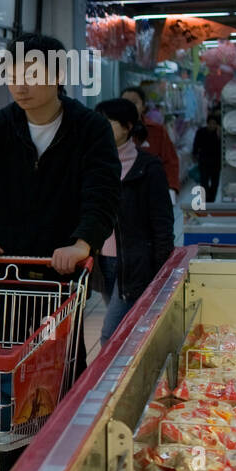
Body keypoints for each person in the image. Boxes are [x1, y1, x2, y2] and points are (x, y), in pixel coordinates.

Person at [0, 32, 120, 471]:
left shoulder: (89, 128)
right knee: (9, 382)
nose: (20, 84)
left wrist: (82, 244)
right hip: (0, 277)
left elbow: (101, 197)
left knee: (61, 376)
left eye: (33, 73)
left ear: (59, 76)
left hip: (58, 279)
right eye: (13, 74)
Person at [93, 99, 174, 343]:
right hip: (101, 259)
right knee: (127, 326)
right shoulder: (93, 163)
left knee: (110, 335)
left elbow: (162, 221)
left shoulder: (148, 167)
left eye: (107, 124)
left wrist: (163, 266)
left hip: (134, 261)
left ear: (128, 127)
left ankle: (114, 380)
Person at [121, 86, 180, 196]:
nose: (128, 106)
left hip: (152, 192)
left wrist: (171, 189)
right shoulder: (112, 132)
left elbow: (170, 161)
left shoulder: (157, 131)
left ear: (143, 106)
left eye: (134, 102)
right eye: (124, 102)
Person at [193, 113, 222, 204]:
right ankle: (205, 201)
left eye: (214, 123)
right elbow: (196, 145)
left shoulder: (219, 135)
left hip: (216, 163)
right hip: (204, 162)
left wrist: (220, 136)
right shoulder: (201, 132)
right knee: (204, 183)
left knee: (215, 184)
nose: (212, 125)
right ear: (207, 123)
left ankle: (211, 201)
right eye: (210, 123)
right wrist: (195, 155)